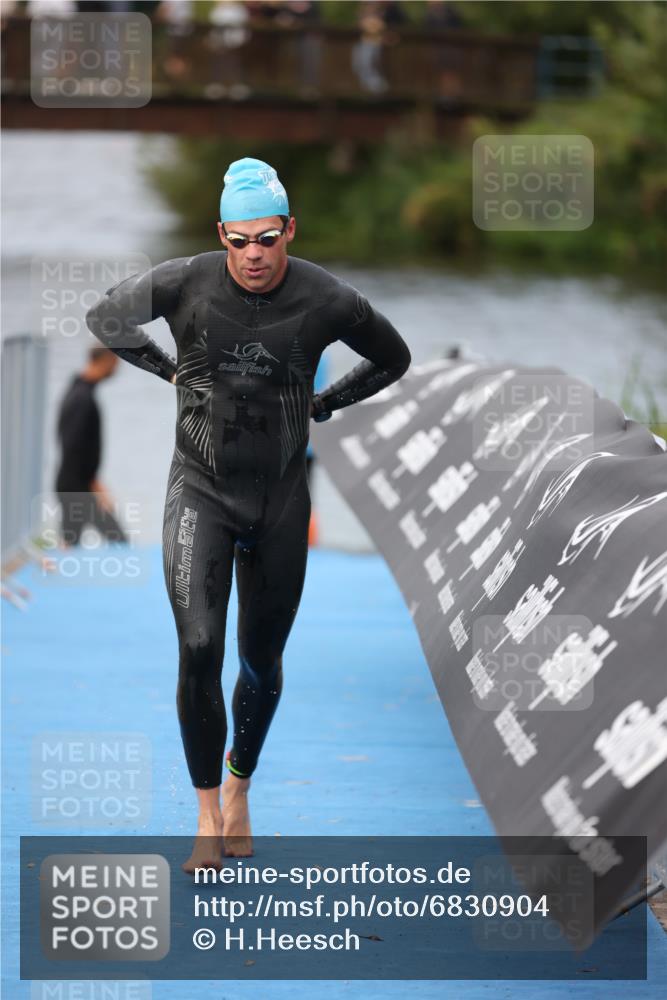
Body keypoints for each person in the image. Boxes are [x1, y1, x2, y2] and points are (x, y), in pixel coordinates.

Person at [85, 157, 411, 870]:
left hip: (280, 501)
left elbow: (394, 358)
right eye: (240, 241)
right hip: (199, 490)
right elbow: (104, 315)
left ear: (290, 229)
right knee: (199, 647)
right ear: (222, 235)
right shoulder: (182, 281)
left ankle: (239, 785)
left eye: (268, 237)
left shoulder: (326, 297)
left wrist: (327, 403)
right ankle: (205, 812)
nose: (255, 255)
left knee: (260, 662)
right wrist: (164, 367)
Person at [55, 346, 128, 546]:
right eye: (115, 362)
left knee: (69, 542)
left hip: (71, 482)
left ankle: (57, 571)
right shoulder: (82, 399)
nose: (117, 368)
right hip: (78, 485)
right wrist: (95, 486)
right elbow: (73, 447)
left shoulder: (77, 388)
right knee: (119, 541)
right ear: (106, 360)